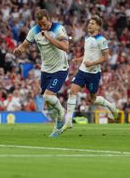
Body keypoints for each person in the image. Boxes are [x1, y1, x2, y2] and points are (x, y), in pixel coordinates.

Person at [13, 9, 69, 137]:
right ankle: (57, 126)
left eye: (44, 23)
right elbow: (25, 44)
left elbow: (66, 47)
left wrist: (49, 38)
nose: (42, 26)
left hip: (60, 68)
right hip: (46, 69)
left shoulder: (58, 29)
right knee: (49, 104)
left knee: (48, 96)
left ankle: (62, 113)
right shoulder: (34, 30)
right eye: (39, 24)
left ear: (48, 19)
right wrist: (19, 50)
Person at [61, 15, 119, 133]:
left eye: (92, 23)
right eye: (89, 23)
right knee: (72, 91)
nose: (89, 25)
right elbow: (88, 55)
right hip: (83, 71)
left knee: (92, 99)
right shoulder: (87, 38)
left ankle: (111, 107)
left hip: (94, 73)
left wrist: (92, 63)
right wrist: (80, 59)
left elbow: (106, 57)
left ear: (98, 26)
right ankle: (68, 121)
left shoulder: (101, 40)